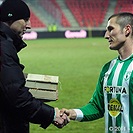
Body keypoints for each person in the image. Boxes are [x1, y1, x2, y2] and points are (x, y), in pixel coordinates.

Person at [0, 0, 69, 133]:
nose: (29, 25)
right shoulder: (3, 47)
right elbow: (16, 97)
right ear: (10, 18)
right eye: (25, 20)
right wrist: (52, 114)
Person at [61, 12, 133, 133]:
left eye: (110, 29)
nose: (106, 35)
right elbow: (97, 106)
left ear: (127, 30)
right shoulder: (108, 68)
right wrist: (72, 113)